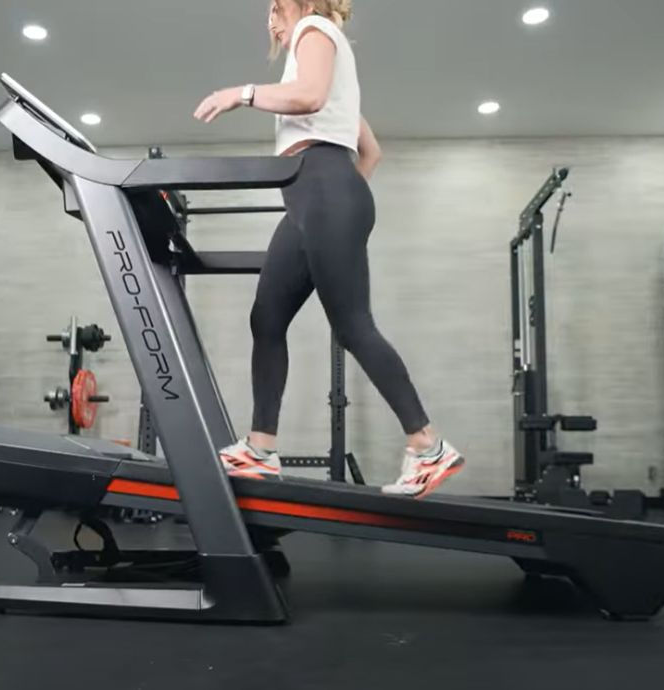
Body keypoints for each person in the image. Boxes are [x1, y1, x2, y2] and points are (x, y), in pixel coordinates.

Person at [193, 0, 464, 498]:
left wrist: (242, 94)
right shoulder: (331, 66)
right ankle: (260, 449)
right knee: (267, 318)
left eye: (277, 7)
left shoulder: (314, 29)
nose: (270, 18)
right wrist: (338, 200)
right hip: (314, 198)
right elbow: (371, 150)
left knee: (352, 325)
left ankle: (428, 447)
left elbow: (310, 96)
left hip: (322, 191)